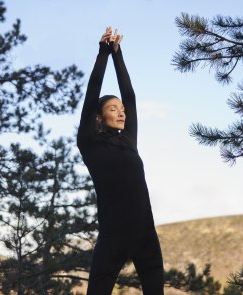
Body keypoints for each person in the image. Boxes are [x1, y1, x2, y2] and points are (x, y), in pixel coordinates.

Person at [77, 27, 164, 295]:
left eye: (122, 110)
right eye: (113, 109)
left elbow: (131, 97)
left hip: (145, 234)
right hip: (113, 236)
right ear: (98, 117)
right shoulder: (89, 143)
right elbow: (92, 93)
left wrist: (118, 54)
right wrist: (103, 53)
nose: (122, 113)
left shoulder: (128, 140)